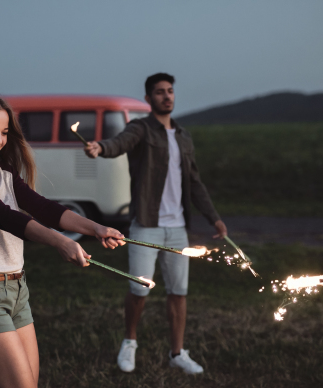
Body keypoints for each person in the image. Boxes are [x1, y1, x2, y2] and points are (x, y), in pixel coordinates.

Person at [0, 91, 125, 388]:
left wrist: (96, 228)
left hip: (17, 291)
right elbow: (3, 215)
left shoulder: (3, 171)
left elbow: (43, 207)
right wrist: (60, 242)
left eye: (4, 133)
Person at [84, 73, 228, 375]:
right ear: (149, 100)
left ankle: (177, 352)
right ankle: (130, 341)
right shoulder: (141, 129)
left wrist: (213, 217)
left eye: (170, 91)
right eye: (160, 92)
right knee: (139, 289)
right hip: (146, 224)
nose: (167, 96)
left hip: (177, 229)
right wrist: (100, 148)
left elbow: (195, 182)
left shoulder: (183, 136)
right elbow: (119, 143)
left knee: (179, 291)